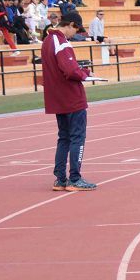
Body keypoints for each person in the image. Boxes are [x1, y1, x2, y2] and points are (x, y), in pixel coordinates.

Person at [42, 12, 97, 191]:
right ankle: (74, 178)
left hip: (57, 98)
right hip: (71, 98)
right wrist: (85, 74)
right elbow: (71, 71)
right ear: (71, 24)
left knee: (64, 138)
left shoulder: (47, 41)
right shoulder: (61, 42)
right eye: (76, 29)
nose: (76, 33)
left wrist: (82, 71)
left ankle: (60, 179)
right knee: (77, 138)